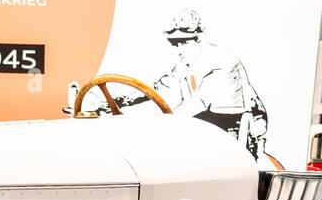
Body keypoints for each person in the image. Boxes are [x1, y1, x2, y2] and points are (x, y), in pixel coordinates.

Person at [93, 9, 269, 158]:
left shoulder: (222, 63)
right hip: (207, 128)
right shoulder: (185, 64)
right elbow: (158, 89)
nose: (178, 49)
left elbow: (198, 104)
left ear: (198, 38)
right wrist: (120, 101)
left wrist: (157, 126)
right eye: (174, 43)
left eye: (183, 42)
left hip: (233, 131)